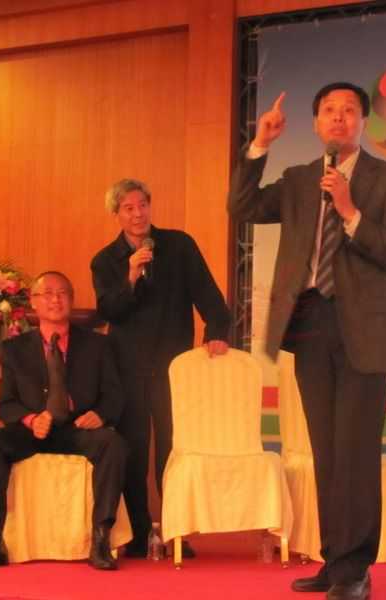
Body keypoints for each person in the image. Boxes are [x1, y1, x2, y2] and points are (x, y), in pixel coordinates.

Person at [228, 82, 386, 600]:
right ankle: (335, 562)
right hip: (309, 324)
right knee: (327, 452)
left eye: (349, 110)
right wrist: (259, 144)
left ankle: (356, 570)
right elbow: (241, 205)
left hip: (365, 331)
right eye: (329, 110)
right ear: (315, 124)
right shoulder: (297, 179)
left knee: (356, 453)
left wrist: (351, 213)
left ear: (363, 123)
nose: (338, 117)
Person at [91, 178, 231, 558]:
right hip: (127, 369)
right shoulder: (105, 261)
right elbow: (109, 311)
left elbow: (209, 296)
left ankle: (176, 532)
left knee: (174, 450)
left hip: (174, 368)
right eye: (128, 208)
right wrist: (131, 276)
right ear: (116, 215)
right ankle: (138, 534)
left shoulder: (179, 245)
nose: (138, 214)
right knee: (133, 452)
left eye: (143, 205)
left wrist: (216, 332)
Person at [0, 271, 127, 571]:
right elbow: (6, 403)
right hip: (34, 431)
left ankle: (100, 538)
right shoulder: (15, 349)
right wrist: (30, 419)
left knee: (113, 444)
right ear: (33, 302)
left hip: (77, 429)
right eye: (47, 293)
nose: (55, 299)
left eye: (62, 293)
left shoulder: (97, 345)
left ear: (71, 300)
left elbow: (115, 395)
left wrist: (100, 414)